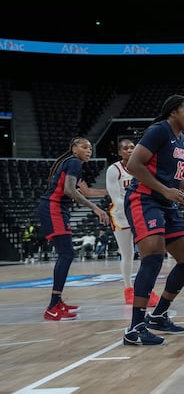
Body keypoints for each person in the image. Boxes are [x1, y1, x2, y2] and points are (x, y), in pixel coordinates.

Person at [122, 94, 184, 346]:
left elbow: (173, 176)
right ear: (173, 112)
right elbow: (133, 164)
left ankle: (159, 314)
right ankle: (134, 327)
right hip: (144, 200)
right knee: (153, 256)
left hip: (165, 203)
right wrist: (164, 190)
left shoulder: (181, 139)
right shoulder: (158, 130)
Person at [37, 137, 110, 321]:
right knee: (67, 254)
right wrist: (95, 208)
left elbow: (86, 192)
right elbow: (70, 190)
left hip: (57, 208)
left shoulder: (73, 165)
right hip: (53, 207)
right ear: (74, 148)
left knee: (67, 254)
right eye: (84, 147)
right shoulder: (74, 162)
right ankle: (53, 306)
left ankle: (57, 301)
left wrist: (109, 191)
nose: (88, 151)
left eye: (90, 149)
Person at [106, 138, 159, 306]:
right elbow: (116, 198)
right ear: (120, 152)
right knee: (127, 254)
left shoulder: (142, 167)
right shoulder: (114, 170)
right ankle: (129, 290)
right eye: (125, 148)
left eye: (132, 147)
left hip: (138, 212)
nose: (129, 150)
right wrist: (135, 209)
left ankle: (145, 290)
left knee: (147, 254)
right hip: (121, 215)